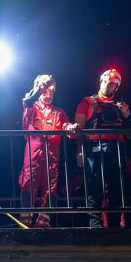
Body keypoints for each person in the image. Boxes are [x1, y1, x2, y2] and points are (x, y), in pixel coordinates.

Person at [75, 68, 131, 229]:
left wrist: (126, 116)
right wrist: (79, 151)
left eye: (113, 84)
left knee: (116, 189)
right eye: (106, 81)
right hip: (94, 150)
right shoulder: (87, 102)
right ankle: (95, 225)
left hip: (116, 150)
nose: (108, 85)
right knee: (95, 189)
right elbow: (77, 129)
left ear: (117, 87)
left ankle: (115, 226)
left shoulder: (122, 105)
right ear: (101, 81)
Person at [18, 74, 78, 228]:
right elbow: (29, 100)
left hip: (52, 157)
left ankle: (43, 223)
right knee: (28, 184)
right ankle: (25, 225)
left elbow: (66, 126)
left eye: (52, 90)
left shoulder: (59, 111)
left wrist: (71, 128)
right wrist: (40, 87)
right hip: (33, 155)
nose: (49, 94)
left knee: (51, 188)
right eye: (46, 90)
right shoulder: (31, 105)